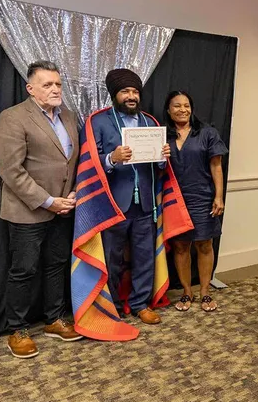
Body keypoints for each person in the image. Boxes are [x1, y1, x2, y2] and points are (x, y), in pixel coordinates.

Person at [0, 60, 82, 358]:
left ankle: (54, 319)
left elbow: (73, 162)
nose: (55, 89)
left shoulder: (69, 116)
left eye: (58, 83)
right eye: (47, 85)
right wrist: (48, 201)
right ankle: (17, 329)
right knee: (24, 270)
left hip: (64, 208)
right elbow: (11, 170)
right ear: (31, 89)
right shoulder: (13, 118)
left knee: (56, 264)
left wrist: (71, 194)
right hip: (28, 210)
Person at [90, 68, 171, 325]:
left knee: (144, 255)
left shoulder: (150, 122)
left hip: (145, 202)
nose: (131, 96)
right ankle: (111, 306)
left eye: (135, 91)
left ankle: (140, 304)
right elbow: (89, 162)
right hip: (113, 203)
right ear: (115, 95)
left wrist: (162, 157)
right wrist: (111, 159)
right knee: (112, 258)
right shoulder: (99, 122)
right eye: (125, 91)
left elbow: (160, 168)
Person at [163, 91, 228, 313]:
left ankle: (205, 292)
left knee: (204, 244)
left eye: (187, 105)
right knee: (180, 247)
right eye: (177, 106)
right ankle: (186, 292)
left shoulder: (207, 133)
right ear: (168, 110)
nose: (183, 110)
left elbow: (216, 166)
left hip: (203, 198)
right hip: (174, 200)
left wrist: (218, 196)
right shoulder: (162, 136)